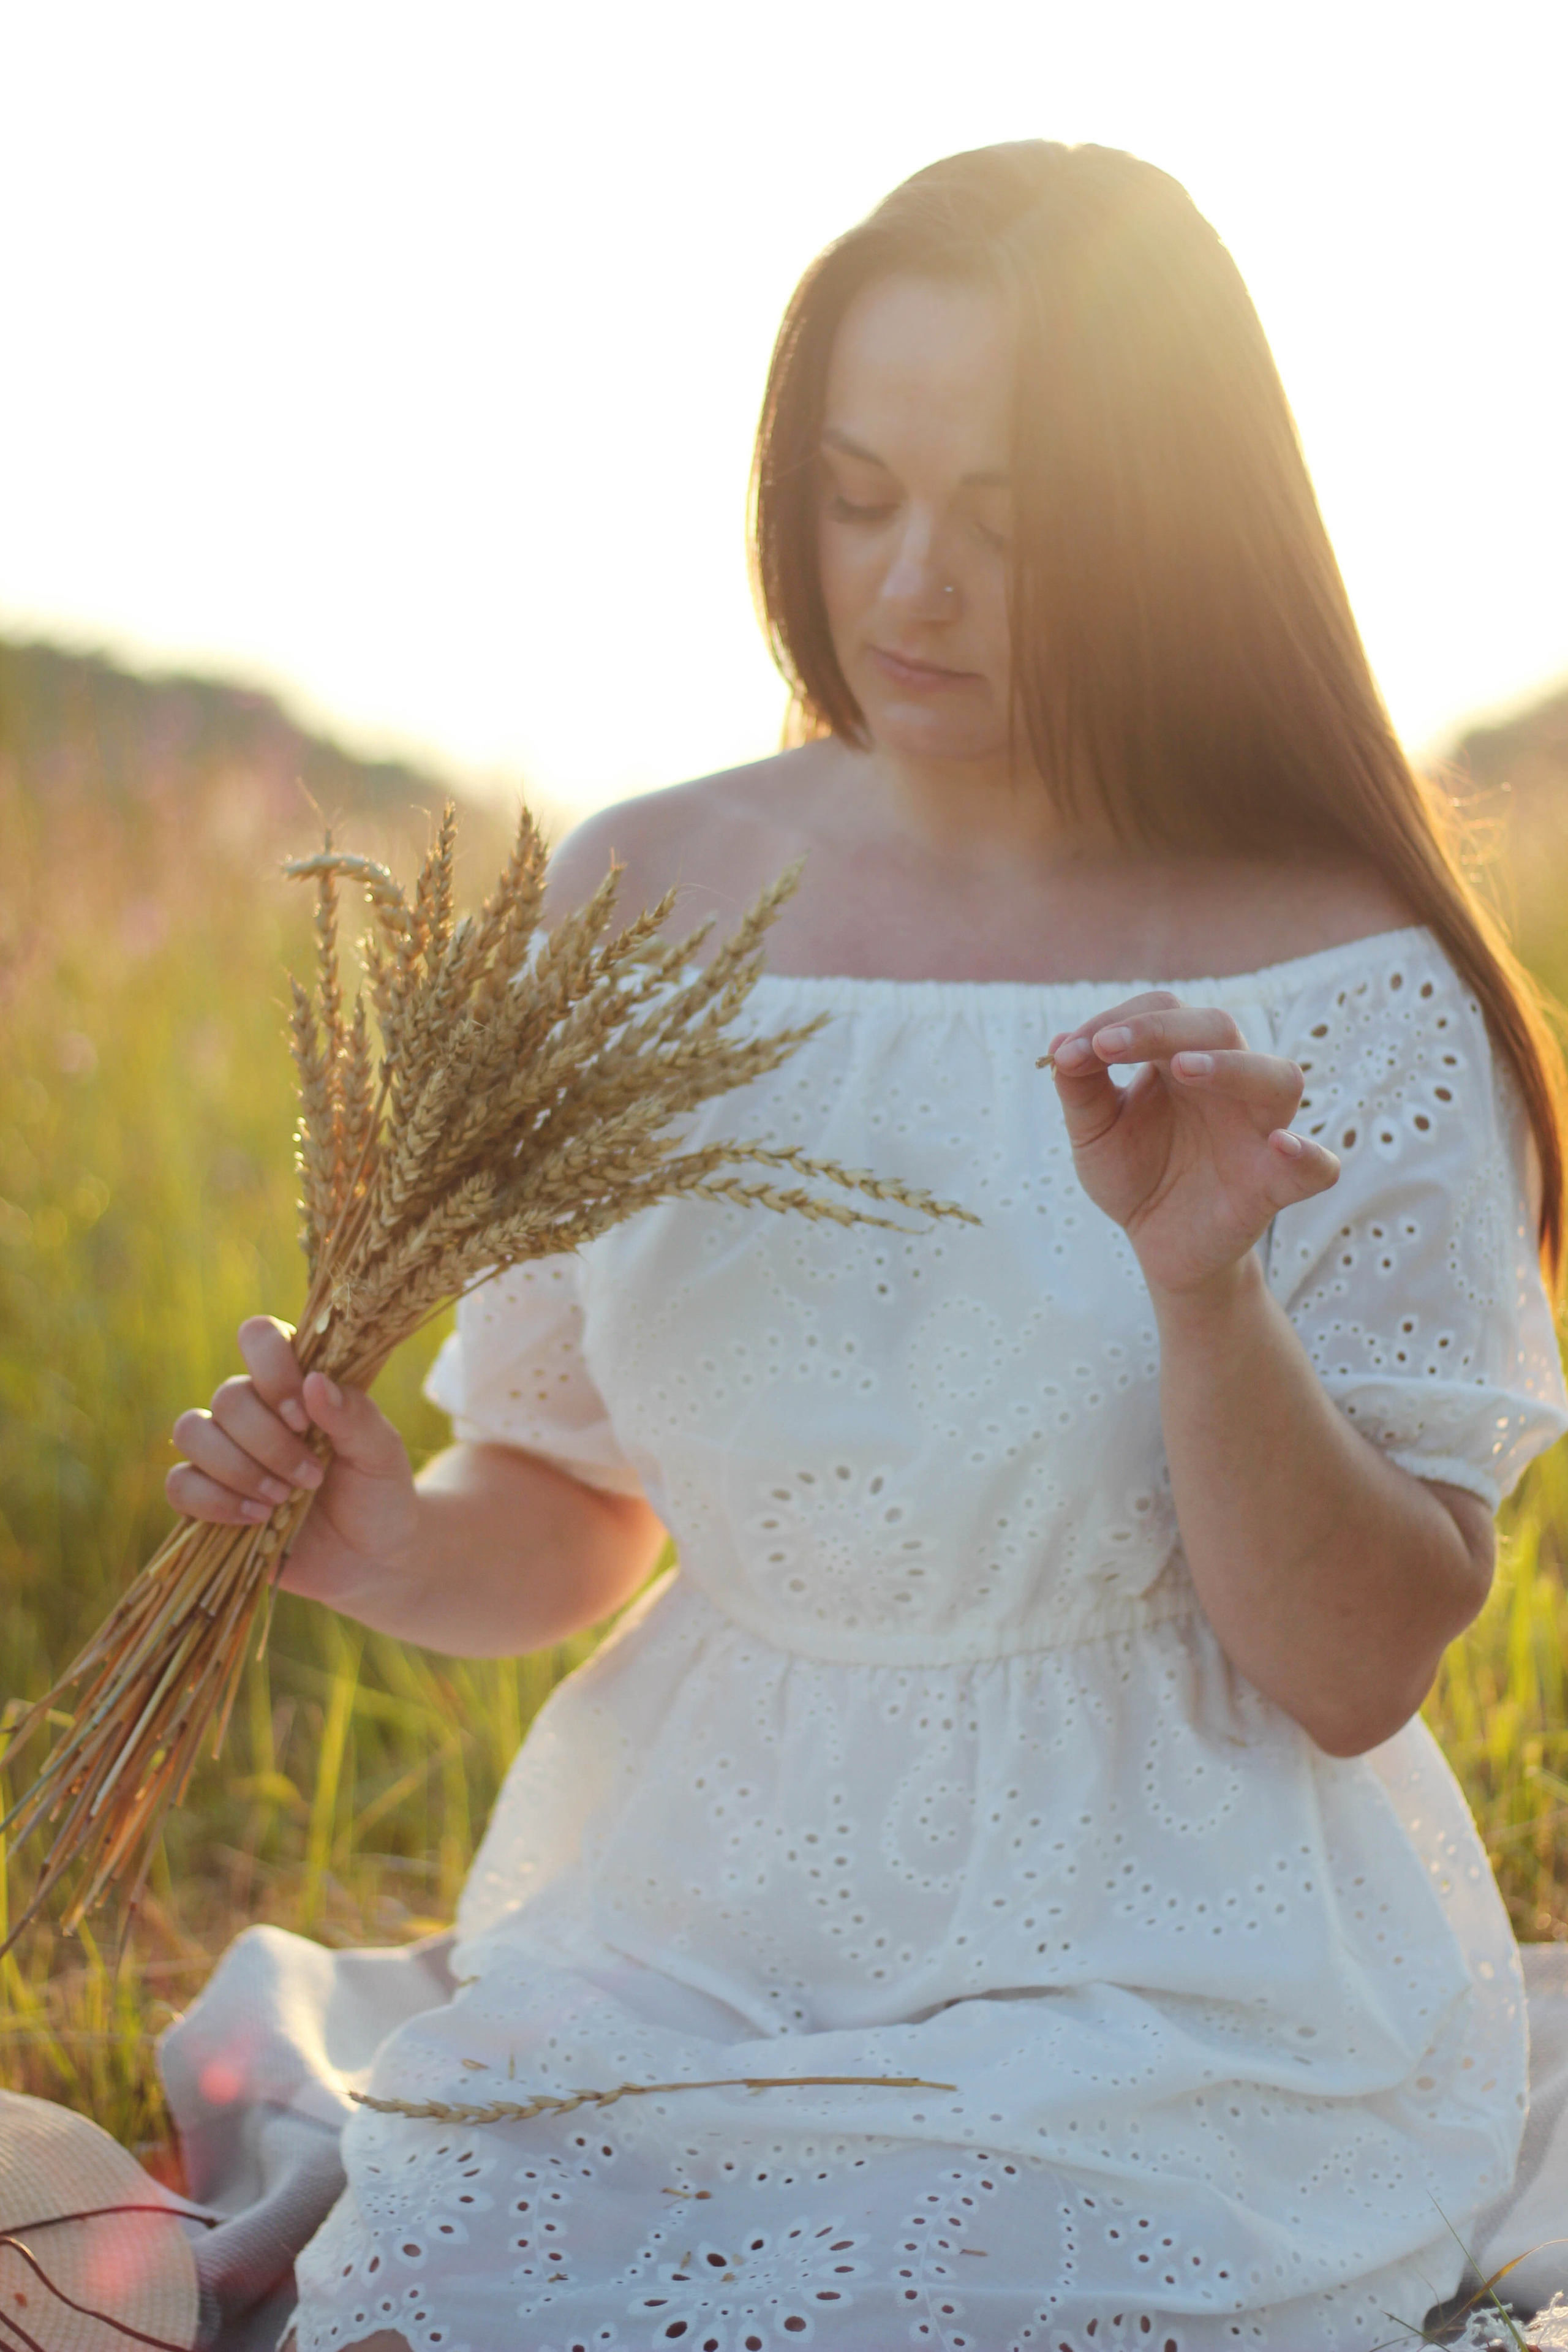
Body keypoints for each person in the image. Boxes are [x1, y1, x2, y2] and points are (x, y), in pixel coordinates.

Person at [168, 141, 1568, 2351]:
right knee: (451, 2296)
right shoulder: (640, 896)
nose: (912, 586)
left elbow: (1352, 1667)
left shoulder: (1350, 984)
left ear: (1175, 530)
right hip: (700, 1906)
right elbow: (571, 1502)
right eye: (857, 493)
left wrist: (1205, 1292)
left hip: (1176, 1961)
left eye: (1008, 527)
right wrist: (378, 1538)